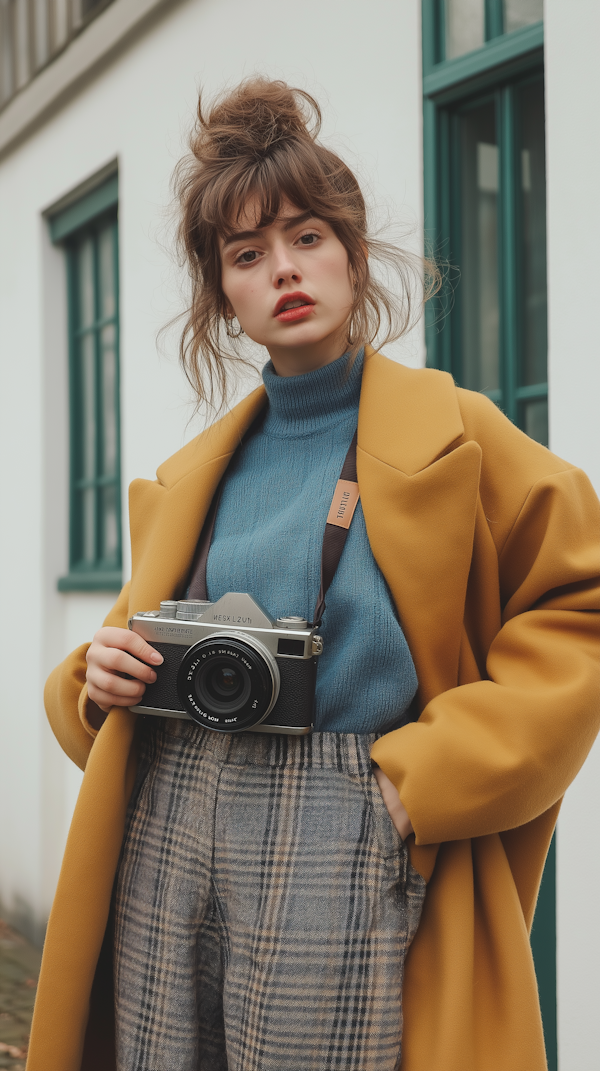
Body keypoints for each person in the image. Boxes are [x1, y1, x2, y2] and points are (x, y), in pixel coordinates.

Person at [28, 79, 600, 1071]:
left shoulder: (456, 434)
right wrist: (94, 684)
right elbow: (119, 653)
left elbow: (581, 605)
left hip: (349, 815)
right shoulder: (195, 472)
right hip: (170, 811)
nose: (283, 270)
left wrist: (418, 785)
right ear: (224, 294)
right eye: (248, 256)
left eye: (306, 238)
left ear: (351, 251)